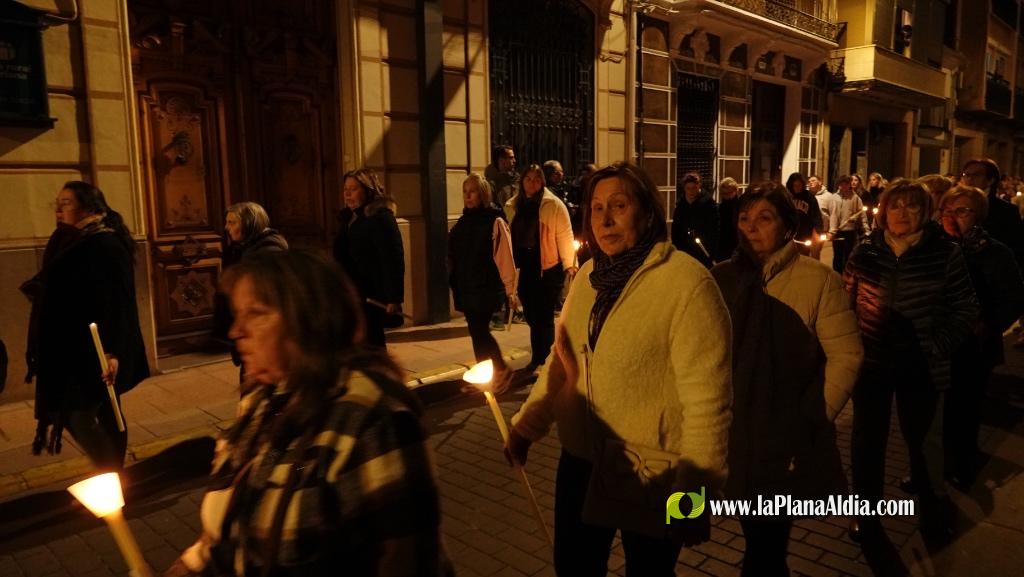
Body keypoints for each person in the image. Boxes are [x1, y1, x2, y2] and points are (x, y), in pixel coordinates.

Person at [164, 251, 451, 577]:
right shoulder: (262, 401)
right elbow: (231, 528)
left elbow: (405, 560)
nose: (235, 331)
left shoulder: (372, 415)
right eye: (237, 314)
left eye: (256, 314)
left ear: (309, 320)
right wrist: (192, 564)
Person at [507, 162, 731, 577]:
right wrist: (525, 428)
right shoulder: (589, 276)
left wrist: (693, 502)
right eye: (596, 208)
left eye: (619, 205)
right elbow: (562, 362)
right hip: (581, 461)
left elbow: (709, 406)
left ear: (646, 212)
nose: (605, 219)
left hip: (650, 472)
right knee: (573, 568)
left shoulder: (687, 284)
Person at [712, 182, 862, 577]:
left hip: (784, 433)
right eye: (744, 218)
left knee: (768, 545)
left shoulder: (817, 281)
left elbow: (846, 355)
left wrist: (813, 414)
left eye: (764, 218)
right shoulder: (722, 277)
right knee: (752, 531)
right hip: (733, 429)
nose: (751, 227)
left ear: (786, 226)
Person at [844, 179, 979, 543]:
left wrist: (936, 346)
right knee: (867, 441)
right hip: (871, 364)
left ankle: (932, 508)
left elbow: (965, 309)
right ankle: (865, 512)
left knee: (921, 442)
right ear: (884, 211)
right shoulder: (865, 252)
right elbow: (845, 303)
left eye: (912, 206)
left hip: (920, 366)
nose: (903, 213)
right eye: (896, 206)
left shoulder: (944, 253)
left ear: (925, 212)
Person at [24, 181, 149, 469]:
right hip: (75, 346)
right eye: (57, 202)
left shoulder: (105, 243)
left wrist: (113, 351)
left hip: (96, 349)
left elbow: (119, 301)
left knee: (80, 414)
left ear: (88, 206)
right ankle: (114, 475)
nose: (58, 208)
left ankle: (110, 473)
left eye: (66, 202)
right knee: (105, 411)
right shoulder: (72, 239)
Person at [937, 186, 1024, 490]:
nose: (953, 217)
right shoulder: (933, 247)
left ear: (978, 216)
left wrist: (990, 323)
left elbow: (1014, 297)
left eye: (962, 210)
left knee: (966, 408)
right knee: (935, 412)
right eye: (948, 210)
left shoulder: (995, 251)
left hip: (974, 345)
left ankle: (962, 463)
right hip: (938, 344)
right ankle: (932, 466)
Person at [448, 174, 518, 392]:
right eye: (465, 191)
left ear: (483, 193)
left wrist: (511, 289)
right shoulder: (463, 222)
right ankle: (485, 375)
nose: (468, 196)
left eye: (473, 191)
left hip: (485, 285)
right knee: (475, 331)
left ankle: (501, 369)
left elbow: (504, 256)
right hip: (467, 284)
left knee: (479, 330)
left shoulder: (494, 220)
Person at [505, 164, 577, 372]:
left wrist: (569, 264)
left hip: (547, 266)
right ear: (522, 181)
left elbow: (564, 234)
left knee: (544, 315)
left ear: (542, 182)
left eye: (537, 179)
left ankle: (543, 360)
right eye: (528, 178)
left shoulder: (552, 205)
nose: (532, 183)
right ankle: (541, 356)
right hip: (524, 266)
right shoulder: (513, 205)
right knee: (531, 314)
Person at [211, 202, 288, 381]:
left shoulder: (268, 251)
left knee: (256, 380)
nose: (226, 227)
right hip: (248, 329)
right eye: (227, 222)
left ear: (249, 223)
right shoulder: (241, 248)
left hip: (259, 334)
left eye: (232, 223)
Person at [333, 168, 405, 348]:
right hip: (352, 293)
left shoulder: (380, 217)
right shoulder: (350, 218)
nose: (347, 194)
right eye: (345, 189)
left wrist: (393, 297)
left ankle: (384, 375)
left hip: (371, 295)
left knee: (373, 345)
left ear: (367, 190)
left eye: (354, 189)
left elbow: (393, 257)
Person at [671, 172, 719, 268]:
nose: (691, 191)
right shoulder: (681, 206)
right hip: (685, 248)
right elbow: (676, 227)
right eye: (688, 188)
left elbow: (714, 226)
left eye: (694, 188)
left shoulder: (708, 204)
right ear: (684, 188)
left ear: (699, 186)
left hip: (702, 248)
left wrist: (710, 247)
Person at [828, 175, 870, 273]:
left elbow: (862, 214)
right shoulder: (834, 198)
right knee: (837, 255)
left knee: (848, 255)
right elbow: (831, 215)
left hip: (849, 231)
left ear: (848, 185)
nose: (843, 186)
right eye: (841, 184)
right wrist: (831, 230)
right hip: (837, 231)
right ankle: (837, 275)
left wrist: (866, 229)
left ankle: (846, 275)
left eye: (846, 184)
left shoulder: (855, 198)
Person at [785, 172, 823, 255]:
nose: (798, 188)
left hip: (805, 234)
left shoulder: (809, 197)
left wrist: (818, 230)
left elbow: (816, 215)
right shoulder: (786, 197)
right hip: (789, 234)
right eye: (795, 186)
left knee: (803, 258)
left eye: (799, 186)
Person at [715, 177, 741, 262]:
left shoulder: (741, 206)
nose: (728, 196)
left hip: (737, 243)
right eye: (724, 193)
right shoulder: (719, 208)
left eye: (730, 192)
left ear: (735, 191)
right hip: (723, 245)